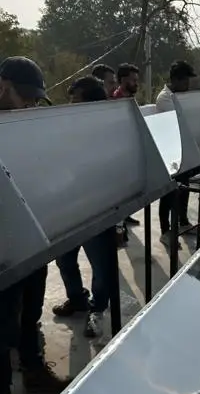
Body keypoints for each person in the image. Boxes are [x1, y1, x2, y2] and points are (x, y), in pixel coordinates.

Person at [0, 56, 71, 394]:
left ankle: (32, 370)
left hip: (34, 231)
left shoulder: (26, 123)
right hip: (4, 242)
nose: (28, 104)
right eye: (21, 96)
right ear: (3, 86)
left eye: (33, 98)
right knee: (3, 321)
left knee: (30, 311)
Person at [52, 76, 112, 339]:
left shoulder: (108, 130)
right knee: (65, 259)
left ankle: (97, 310)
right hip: (69, 206)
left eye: (75, 100)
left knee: (101, 266)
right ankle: (76, 298)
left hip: (97, 208)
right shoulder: (66, 128)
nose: (70, 104)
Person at [156, 61, 196, 248]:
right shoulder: (165, 98)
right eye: (185, 80)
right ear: (175, 80)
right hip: (169, 153)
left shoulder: (179, 96)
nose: (188, 84)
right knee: (169, 194)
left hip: (182, 151)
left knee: (184, 189)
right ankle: (166, 231)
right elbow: (181, 121)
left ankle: (183, 222)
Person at [113, 63, 140, 227]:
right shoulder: (118, 99)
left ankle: (126, 215)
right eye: (133, 80)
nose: (136, 83)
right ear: (123, 80)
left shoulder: (129, 97)